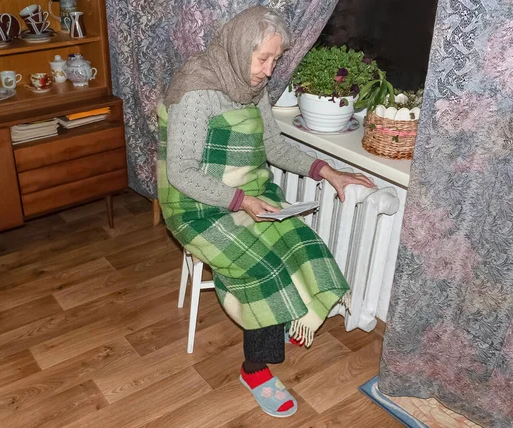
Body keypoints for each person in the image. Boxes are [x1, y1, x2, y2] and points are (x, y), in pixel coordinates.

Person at [157, 6, 374, 418]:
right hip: (194, 206)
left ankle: (279, 318)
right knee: (264, 269)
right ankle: (255, 370)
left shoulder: (249, 85)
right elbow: (182, 173)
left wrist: (328, 171)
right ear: (241, 50)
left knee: (304, 243)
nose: (270, 70)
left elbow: (272, 147)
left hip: (249, 192)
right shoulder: (195, 89)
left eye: (275, 60)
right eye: (264, 59)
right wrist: (240, 202)